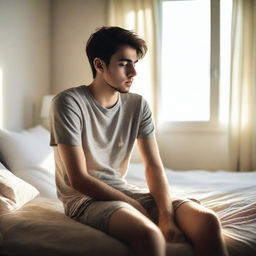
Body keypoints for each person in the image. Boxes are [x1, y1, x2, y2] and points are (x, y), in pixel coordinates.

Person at [49, 26, 229, 256]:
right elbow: (78, 179)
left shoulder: (138, 105)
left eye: (135, 63)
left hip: (124, 190)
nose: (133, 72)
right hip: (85, 199)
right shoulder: (68, 103)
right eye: (124, 64)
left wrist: (166, 217)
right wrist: (134, 206)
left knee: (208, 222)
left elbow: (153, 166)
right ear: (99, 65)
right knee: (149, 234)